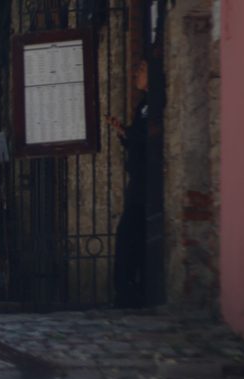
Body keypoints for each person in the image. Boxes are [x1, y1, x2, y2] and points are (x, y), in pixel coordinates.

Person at [106, 59, 148, 308]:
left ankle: (129, 292)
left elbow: (148, 137)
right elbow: (139, 138)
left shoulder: (154, 103)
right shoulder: (143, 104)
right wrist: (125, 133)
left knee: (130, 235)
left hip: (147, 181)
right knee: (131, 236)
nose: (136, 74)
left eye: (141, 70)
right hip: (139, 178)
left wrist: (130, 133)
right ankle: (128, 292)